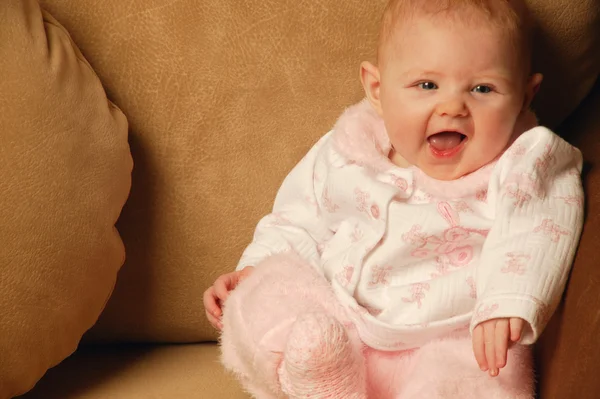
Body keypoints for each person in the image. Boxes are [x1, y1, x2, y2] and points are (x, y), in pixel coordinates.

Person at [203, 0, 584, 397]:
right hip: (339, 321)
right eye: (427, 85)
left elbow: (539, 227)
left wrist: (507, 301)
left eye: (482, 88)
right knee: (265, 296)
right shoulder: (346, 149)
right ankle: (320, 379)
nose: (453, 107)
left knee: (479, 376)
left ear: (525, 96)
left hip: (446, 337)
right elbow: (298, 220)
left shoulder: (525, 160)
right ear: (378, 90)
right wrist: (254, 268)